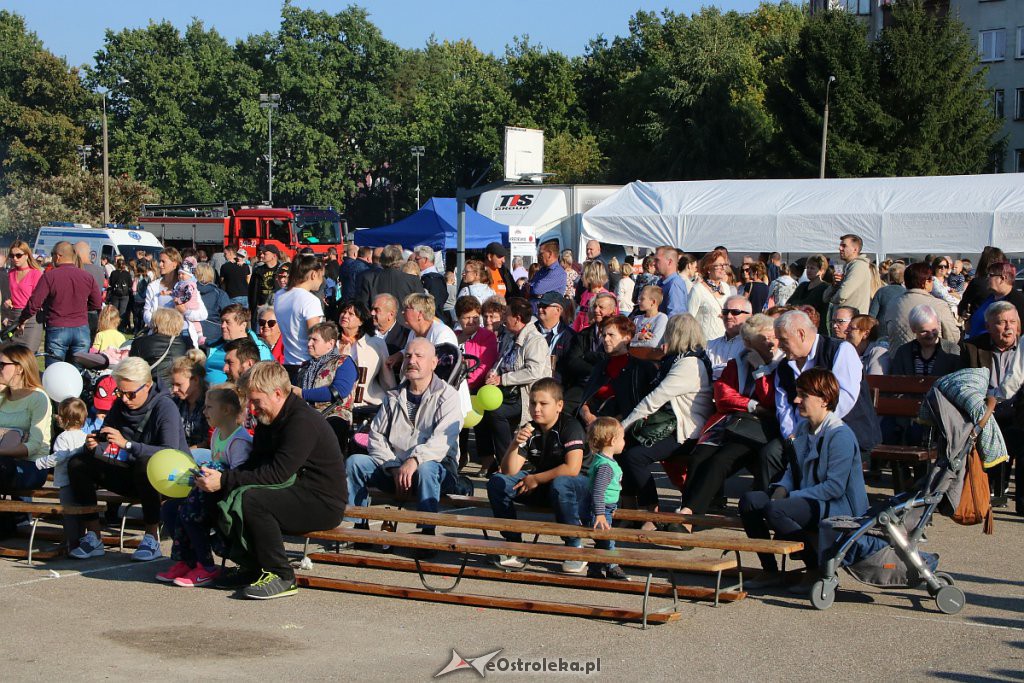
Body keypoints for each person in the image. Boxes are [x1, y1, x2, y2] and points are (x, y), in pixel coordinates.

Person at [194, 361, 346, 599]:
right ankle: (252, 567)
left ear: (277, 393)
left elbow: (276, 473)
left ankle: (282, 574)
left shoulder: (301, 421)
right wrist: (220, 477)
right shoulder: (269, 417)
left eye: (256, 401)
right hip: (294, 490)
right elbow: (255, 464)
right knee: (223, 493)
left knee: (253, 500)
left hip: (322, 501)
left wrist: (225, 480)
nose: (252, 409)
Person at [739, 368, 868, 586]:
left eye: (803, 395)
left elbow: (834, 488)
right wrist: (781, 489)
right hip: (810, 499)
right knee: (750, 501)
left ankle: (816, 569)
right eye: (797, 393)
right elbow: (793, 470)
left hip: (839, 507)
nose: (796, 399)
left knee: (776, 509)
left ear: (824, 400)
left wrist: (790, 498)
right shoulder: (803, 429)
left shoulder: (840, 435)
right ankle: (770, 570)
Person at [68, 357, 190, 562]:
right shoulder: (119, 405)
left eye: (130, 393)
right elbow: (109, 439)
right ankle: (94, 535)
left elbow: (169, 452)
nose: (124, 398)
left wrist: (127, 444)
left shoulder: (165, 407)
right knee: (78, 463)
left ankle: (152, 538)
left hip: (168, 477)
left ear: (147, 386)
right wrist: (96, 445)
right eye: (120, 392)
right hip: (130, 470)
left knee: (145, 464)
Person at [345, 339, 461, 538]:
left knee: (427, 468)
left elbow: (442, 440)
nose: (411, 361)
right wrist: (393, 465)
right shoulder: (393, 396)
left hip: (435, 471)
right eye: (408, 356)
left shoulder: (447, 395)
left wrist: (414, 460)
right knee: (355, 462)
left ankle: (426, 533)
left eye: (418, 356)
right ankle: (358, 529)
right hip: (395, 469)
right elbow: (377, 435)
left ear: (434, 363)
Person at [675, 314, 781, 525]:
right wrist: (753, 405)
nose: (771, 342)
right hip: (731, 422)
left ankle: (689, 515)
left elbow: (772, 401)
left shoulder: (782, 365)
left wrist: (761, 371)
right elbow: (723, 395)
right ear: (749, 343)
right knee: (698, 458)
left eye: (773, 336)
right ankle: (700, 506)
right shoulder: (737, 363)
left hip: (760, 429)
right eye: (763, 338)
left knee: (720, 460)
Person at [486, 378, 591, 572]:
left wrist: (535, 478)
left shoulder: (570, 426)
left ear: (559, 406)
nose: (536, 408)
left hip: (577, 489)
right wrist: (514, 444)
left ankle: (574, 546)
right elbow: (510, 470)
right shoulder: (530, 427)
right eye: (533, 403)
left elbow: (572, 468)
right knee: (497, 482)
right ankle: (514, 543)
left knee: (561, 483)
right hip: (546, 485)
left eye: (543, 404)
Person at [157, 383, 253, 587]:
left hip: (223, 497)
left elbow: (237, 477)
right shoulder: (217, 433)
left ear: (226, 410)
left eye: (209, 407)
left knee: (190, 514)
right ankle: (188, 560)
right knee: (170, 510)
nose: (204, 411)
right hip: (206, 491)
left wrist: (213, 474)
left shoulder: (239, 441)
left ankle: (206, 566)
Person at [619, 314, 712, 516]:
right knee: (625, 448)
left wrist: (622, 426)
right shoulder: (678, 360)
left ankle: (651, 511)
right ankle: (629, 506)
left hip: (687, 431)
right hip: (672, 424)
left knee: (635, 456)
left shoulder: (688, 365)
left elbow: (654, 399)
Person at [774, 310, 881, 462]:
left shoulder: (840, 350)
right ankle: (779, 486)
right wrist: (791, 435)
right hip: (799, 435)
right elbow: (783, 407)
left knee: (817, 457)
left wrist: (810, 431)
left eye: (783, 340)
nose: (779, 346)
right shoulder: (784, 366)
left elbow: (844, 398)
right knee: (770, 454)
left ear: (801, 334)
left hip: (845, 433)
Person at [477, 297, 551, 474]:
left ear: (517, 318)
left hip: (526, 394)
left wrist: (503, 379)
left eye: (507, 314)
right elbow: (501, 360)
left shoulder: (535, 340)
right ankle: (488, 460)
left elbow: (534, 371)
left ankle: (507, 462)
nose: (503, 318)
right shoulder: (511, 337)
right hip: (508, 391)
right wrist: (493, 372)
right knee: (480, 410)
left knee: (496, 413)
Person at [17, 241, 102, 366]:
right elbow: (97, 303)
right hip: (81, 328)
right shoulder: (87, 277)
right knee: (78, 373)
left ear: (58, 256)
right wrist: (81, 307)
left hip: (57, 327)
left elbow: (34, 303)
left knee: (54, 371)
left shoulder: (50, 276)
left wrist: (22, 319)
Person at [32, 397, 88, 548]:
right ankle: (81, 539)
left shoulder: (63, 437)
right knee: (80, 512)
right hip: (81, 481)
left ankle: (71, 541)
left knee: (68, 513)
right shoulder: (84, 436)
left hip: (66, 481)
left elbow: (59, 457)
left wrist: (39, 463)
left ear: (64, 419)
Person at [0, 344, 52, 492]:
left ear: (19, 368)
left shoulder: (38, 398)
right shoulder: (2, 396)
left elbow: (34, 446)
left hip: (32, 466)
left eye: (2, 365)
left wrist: (3, 450)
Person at [295, 321, 357, 445]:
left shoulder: (343, 362)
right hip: (304, 414)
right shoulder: (305, 366)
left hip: (333, 414)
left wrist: (303, 393)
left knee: (332, 427)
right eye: (309, 339)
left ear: (330, 344)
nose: (309, 344)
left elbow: (339, 391)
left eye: (314, 340)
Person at [582, 417, 628, 580]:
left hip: (605, 508)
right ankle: (612, 566)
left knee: (603, 541)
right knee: (607, 540)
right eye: (622, 438)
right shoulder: (605, 466)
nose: (624, 442)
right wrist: (600, 514)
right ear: (613, 440)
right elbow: (598, 491)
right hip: (599, 509)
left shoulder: (605, 461)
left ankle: (594, 569)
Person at [882, 262, 961, 355]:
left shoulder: (893, 303)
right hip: (932, 361)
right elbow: (952, 337)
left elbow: (887, 332)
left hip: (899, 361)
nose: (933, 282)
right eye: (931, 279)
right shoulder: (939, 305)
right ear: (926, 282)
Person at [561, 292, 617, 415]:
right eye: (595, 306)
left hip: (606, 386)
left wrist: (587, 356)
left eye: (601, 307)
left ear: (613, 311)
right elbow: (572, 361)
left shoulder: (618, 336)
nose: (596, 310)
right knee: (561, 408)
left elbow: (611, 361)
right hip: (583, 384)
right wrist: (595, 370)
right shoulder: (584, 334)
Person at [142, 248, 208, 348]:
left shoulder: (188, 285)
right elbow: (147, 312)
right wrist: (157, 323)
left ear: (175, 263)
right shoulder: (153, 287)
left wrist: (185, 311)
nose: (160, 265)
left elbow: (203, 314)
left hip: (184, 334)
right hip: (160, 334)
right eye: (160, 261)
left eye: (163, 261)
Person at [274, 255, 326, 379]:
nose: (322, 280)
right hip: (307, 365)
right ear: (314, 274)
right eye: (322, 276)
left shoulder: (279, 295)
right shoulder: (310, 300)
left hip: (288, 363)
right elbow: (315, 337)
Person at [205, 304, 273, 385]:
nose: (223, 326)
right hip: (207, 393)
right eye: (222, 321)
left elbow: (264, 381)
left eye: (227, 322)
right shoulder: (213, 346)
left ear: (243, 325)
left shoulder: (259, 350)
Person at [891, 304, 961, 376]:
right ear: (913, 329)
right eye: (924, 331)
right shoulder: (903, 352)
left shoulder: (952, 350)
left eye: (934, 330)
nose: (930, 335)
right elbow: (896, 382)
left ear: (938, 325)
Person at [130, 308, 189, 386]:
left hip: (152, 389)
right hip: (178, 389)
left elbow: (133, 370)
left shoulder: (140, 342)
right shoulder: (187, 343)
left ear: (155, 323)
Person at [3, 240, 44, 352]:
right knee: (10, 354)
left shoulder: (35, 273)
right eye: (12, 255)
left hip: (31, 318)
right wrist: (8, 301)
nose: (15, 258)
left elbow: (38, 299)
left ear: (27, 255)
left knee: (28, 355)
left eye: (18, 255)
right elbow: (9, 294)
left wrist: (25, 318)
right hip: (13, 316)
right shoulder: (10, 273)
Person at [965, 261, 1024, 339]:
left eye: (990, 275)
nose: (987, 279)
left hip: (992, 349)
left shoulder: (1017, 302)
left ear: (1003, 278)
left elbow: (1018, 332)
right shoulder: (991, 297)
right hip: (974, 346)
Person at [359, 244, 423, 310]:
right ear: (400, 260)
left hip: (378, 317)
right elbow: (420, 305)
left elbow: (363, 304)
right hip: (403, 318)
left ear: (381, 260)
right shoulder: (413, 280)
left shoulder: (369, 278)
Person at [456, 296, 499, 391]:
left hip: (471, 389)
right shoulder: (453, 336)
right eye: (467, 317)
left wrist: (463, 385)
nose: (471, 321)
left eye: (475, 317)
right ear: (458, 318)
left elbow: (484, 367)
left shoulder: (487, 337)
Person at [689, 249, 732, 341]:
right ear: (708, 268)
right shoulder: (698, 290)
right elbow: (689, 319)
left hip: (724, 342)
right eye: (719, 265)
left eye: (724, 265)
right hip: (704, 345)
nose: (723, 268)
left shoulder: (726, 288)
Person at [170, 350, 210, 449]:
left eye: (179, 385)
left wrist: (187, 452)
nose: (174, 390)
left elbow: (209, 440)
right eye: (173, 385)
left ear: (195, 380)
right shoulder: (175, 402)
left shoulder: (211, 403)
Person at [706, 295, 752, 380]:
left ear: (749, 316)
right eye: (725, 312)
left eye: (735, 312)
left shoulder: (752, 346)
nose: (729, 316)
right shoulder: (710, 346)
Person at [533, 291, 574, 382]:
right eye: (539, 306)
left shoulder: (569, 336)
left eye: (545, 306)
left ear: (558, 310)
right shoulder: (530, 331)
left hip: (556, 387)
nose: (540, 309)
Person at [830, 234, 872, 319]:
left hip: (852, 323)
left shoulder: (859, 266)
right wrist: (835, 285)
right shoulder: (847, 267)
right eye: (840, 245)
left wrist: (832, 300)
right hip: (844, 321)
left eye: (844, 246)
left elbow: (842, 294)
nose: (840, 248)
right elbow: (825, 297)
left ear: (855, 249)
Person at [788, 254, 830, 336]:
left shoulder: (824, 287)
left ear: (822, 270)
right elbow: (789, 303)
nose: (809, 270)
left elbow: (808, 304)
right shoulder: (803, 285)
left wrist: (797, 304)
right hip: (800, 326)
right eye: (807, 268)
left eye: (812, 268)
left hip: (817, 329)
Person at [572, 260, 614, 332]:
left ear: (591, 275)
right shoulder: (585, 294)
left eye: (582, 274)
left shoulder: (606, 297)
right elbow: (579, 316)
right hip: (582, 335)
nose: (581, 277)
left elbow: (612, 320)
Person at [195, 262, 231, 347]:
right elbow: (228, 315)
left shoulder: (187, 292)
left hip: (191, 333)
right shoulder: (220, 294)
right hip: (214, 336)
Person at [247, 244, 285, 321]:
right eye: (261, 253)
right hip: (259, 311)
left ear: (274, 256)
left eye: (265, 253)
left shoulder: (283, 271)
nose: (261, 255)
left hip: (278, 311)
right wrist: (252, 308)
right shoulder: (257, 271)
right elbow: (251, 291)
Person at [528, 241, 567, 309]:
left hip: (547, 314)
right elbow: (531, 285)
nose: (539, 256)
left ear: (549, 254)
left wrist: (530, 287)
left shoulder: (558, 273)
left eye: (541, 253)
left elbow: (537, 289)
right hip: (534, 311)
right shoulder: (542, 270)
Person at [653, 245, 688, 317]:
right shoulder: (662, 282)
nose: (653, 263)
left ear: (669, 262)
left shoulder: (674, 284)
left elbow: (675, 317)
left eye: (657, 260)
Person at [868, 262, 906, 327]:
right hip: (901, 329)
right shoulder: (906, 293)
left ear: (889, 277)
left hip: (882, 330)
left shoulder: (881, 292)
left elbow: (872, 315)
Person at [371, 293, 407, 358]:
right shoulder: (366, 333)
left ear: (391, 315)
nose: (372, 313)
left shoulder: (405, 337)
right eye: (372, 309)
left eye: (377, 310)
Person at [106, 257, 134, 331]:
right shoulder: (127, 274)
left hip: (115, 294)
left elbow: (110, 283)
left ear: (116, 264)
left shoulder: (113, 273)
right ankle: (122, 327)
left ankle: (114, 326)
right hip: (125, 295)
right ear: (124, 265)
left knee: (114, 311)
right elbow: (130, 284)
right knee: (123, 311)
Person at [131, 260, 152, 334]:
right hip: (145, 298)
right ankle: (141, 329)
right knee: (143, 314)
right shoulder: (148, 277)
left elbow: (134, 288)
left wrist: (134, 294)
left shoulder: (136, 277)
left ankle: (136, 328)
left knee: (136, 315)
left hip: (137, 298)